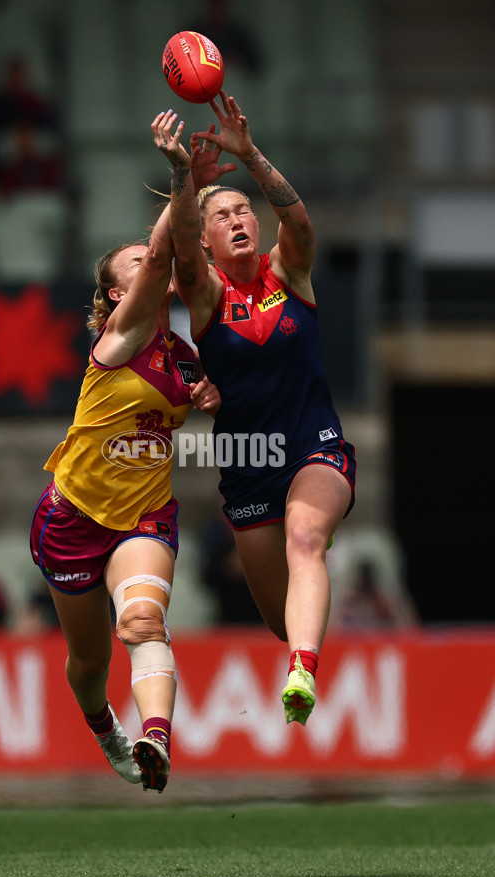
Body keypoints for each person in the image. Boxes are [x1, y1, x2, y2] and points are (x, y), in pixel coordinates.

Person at [29, 111, 231, 793]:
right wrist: (179, 176)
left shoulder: (181, 355)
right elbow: (171, 250)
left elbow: (185, 266)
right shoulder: (118, 338)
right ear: (117, 294)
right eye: (139, 265)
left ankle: (156, 740)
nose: (152, 266)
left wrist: (208, 398)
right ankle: (106, 730)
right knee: (87, 663)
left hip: (144, 517)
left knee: (143, 621)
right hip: (73, 516)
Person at [158, 92, 357, 727]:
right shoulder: (206, 293)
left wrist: (250, 156)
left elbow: (299, 225)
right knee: (279, 618)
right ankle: (296, 646)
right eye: (226, 215)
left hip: (313, 445)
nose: (241, 219)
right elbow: (181, 250)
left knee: (306, 538)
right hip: (247, 464)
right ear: (210, 237)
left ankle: (304, 671)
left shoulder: (288, 274)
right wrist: (185, 182)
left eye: (246, 210)